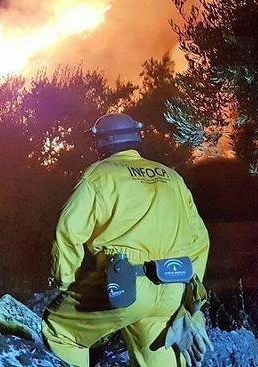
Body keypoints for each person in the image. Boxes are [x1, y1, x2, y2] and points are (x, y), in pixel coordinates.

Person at [42, 112, 212, 366]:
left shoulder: (100, 175)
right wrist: (190, 302)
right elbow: (200, 241)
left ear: (101, 142)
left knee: (62, 331)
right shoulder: (172, 177)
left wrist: (67, 284)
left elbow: (67, 232)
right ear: (136, 138)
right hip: (172, 291)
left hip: (123, 286)